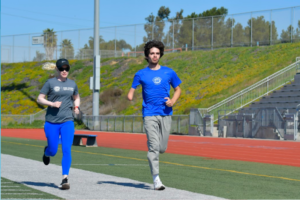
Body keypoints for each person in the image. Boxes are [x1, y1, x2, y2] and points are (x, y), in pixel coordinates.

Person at [127, 40, 182, 190]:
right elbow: (131, 90)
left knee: (161, 148)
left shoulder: (168, 72)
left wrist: (173, 101)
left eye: (157, 53)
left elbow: (178, 90)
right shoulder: (141, 74)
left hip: (166, 113)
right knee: (154, 149)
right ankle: (156, 179)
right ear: (147, 55)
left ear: (161, 55)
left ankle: (153, 145)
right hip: (149, 114)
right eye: (152, 53)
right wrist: (130, 95)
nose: (155, 56)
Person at [37, 58, 80, 190]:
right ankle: (47, 152)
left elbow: (76, 97)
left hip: (67, 121)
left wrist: (76, 107)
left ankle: (65, 178)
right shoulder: (50, 83)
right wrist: (52, 104)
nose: (64, 71)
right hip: (51, 122)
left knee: (67, 149)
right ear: (57, 69)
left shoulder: (72, 84)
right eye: (61, 68)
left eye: (66, 68)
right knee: (53, 150)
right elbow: (40, 98)